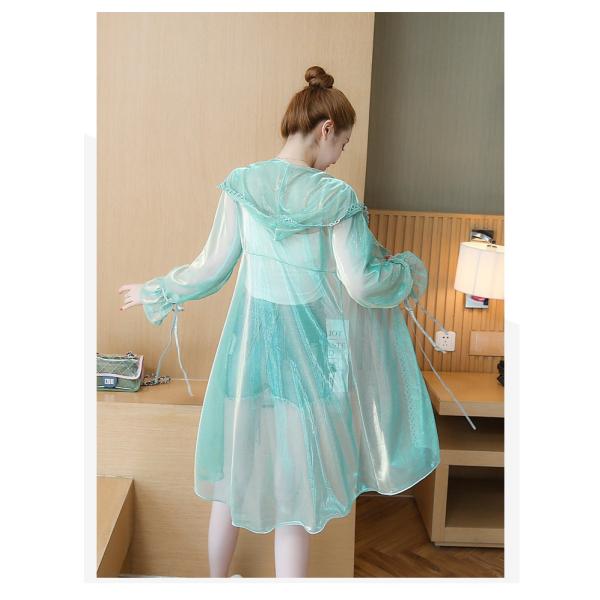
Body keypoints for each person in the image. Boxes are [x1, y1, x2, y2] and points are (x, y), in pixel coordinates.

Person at [118, 65, 440, 578]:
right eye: (343, 144)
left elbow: (212, 267)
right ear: (326, 129)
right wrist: (406, 273)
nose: (338, 157)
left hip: (248, 351)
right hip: (310, 358)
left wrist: (155, 290)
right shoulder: (335, 198)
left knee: (231, 481)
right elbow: (361, 284)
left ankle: (216, 583)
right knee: (295, 494)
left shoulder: (242, 184)